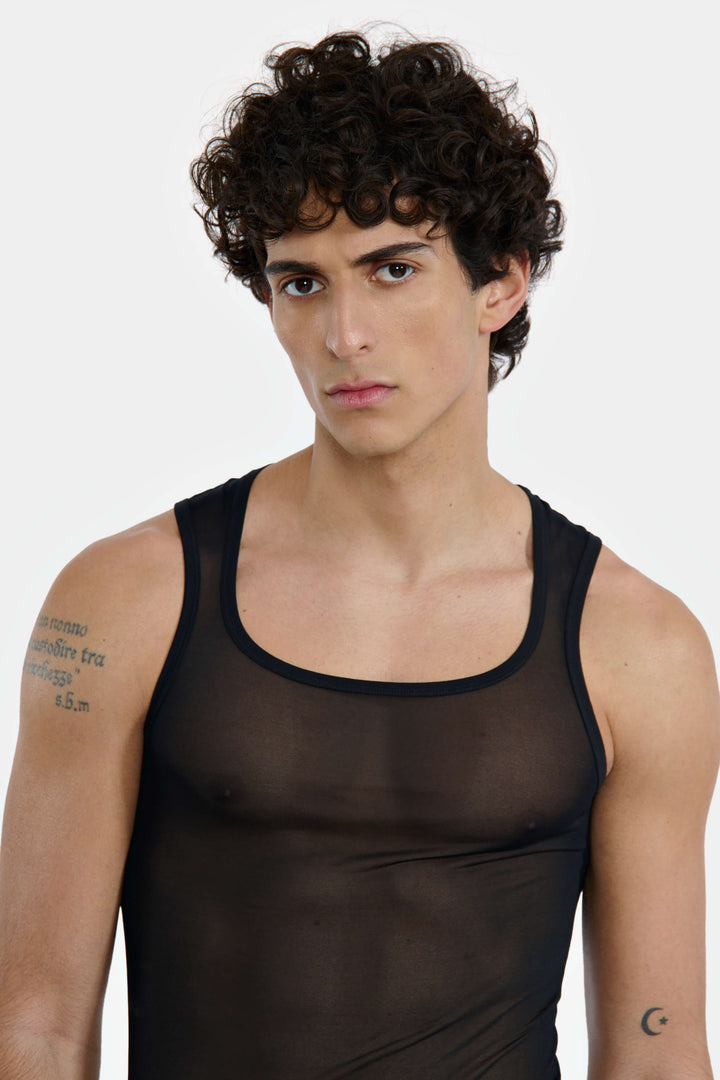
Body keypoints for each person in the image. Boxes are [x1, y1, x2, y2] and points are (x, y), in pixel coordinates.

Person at [0, 28, 718, 1080]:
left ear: (501, 283)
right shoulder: (123, 600)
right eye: (302, 283)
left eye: (392, 270)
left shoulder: (640, 646)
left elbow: (658, 1057)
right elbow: (32, 1029)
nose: (344, 335)